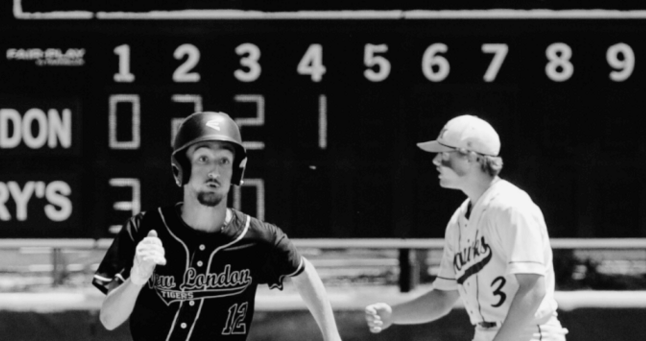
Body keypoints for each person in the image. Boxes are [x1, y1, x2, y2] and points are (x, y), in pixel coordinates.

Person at [94, 111, 341, 341]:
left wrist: (333, 338)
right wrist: (136, 279)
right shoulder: (145, 229)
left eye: (224, 160)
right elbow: (108, 319)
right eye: (203, 158)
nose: (214, 170)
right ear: (182, 167)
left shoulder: (258, 237)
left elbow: (302, 270)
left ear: (236, 170)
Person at [364, 115, 566, 341]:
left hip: (529, 334)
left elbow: (533, 289)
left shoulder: (510, 207)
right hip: (486, 333)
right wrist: (393, 315)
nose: (436, 161)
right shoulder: (459, 220)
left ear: (470, 158)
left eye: (444, 154)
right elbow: (443, 298)